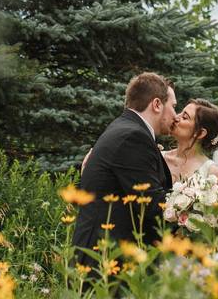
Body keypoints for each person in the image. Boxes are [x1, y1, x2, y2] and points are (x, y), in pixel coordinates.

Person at [71, 72, 177, 263]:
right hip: (104, 260)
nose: (175, 116)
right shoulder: (133, 137)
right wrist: (191, 209)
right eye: (174, 106)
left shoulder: (124, 128)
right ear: (157, 104)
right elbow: (151, 206)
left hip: (101, 253)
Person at [163, 98, 218, 225]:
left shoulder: (212, 173)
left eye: (185, 117)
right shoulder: (159, 156)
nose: (176, 117)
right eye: (181, 112)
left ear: (200, 133)